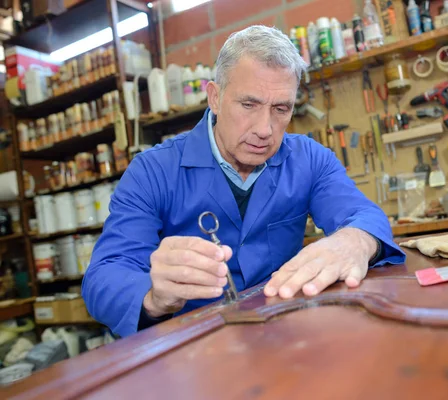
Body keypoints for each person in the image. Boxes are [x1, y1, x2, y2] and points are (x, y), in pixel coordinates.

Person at [82, 25, 405, 338]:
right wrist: (152, 297)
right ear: (215, 98)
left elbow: (366, 216)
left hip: (284, 334)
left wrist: (355, 242)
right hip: (191, 352)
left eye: (281, 108)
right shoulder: (152, 171)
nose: (265, 128)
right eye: (249, 105)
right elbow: (104, 276)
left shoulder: (310, 160)